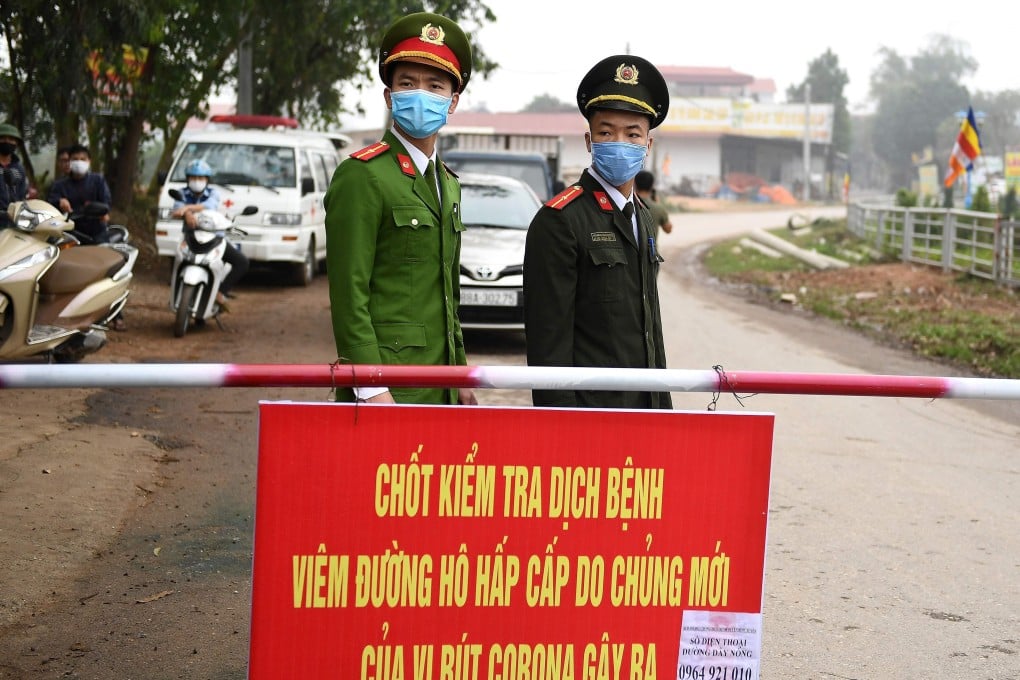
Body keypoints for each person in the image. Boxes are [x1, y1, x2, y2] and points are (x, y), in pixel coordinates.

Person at [324, 11, 476, 406]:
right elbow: (348, 294)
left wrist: (461, 374)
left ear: (453, 101)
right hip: (386, 391)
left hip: (440, 386)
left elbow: (447, 295)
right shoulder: (363, 176)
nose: (421, 94)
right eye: (408, 84)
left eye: (435, 85)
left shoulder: (449, 183)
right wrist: (370, 385)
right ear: (390, 96)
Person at [523, 55, 672, 410]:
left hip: (646, 407)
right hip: (591, 416)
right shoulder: (560, 221)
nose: (620, 142)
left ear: (647, 145)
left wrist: (663, 408)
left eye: (633, 133)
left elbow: (649, 328)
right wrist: (562, 425)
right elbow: (548, 344)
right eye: (607, 132)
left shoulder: (645, 217)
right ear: (590, 141)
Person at [171, 159, 248, 308]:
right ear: (188, 179)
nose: (196, 181)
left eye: (200, 178)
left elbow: (209, 205)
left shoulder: (213, 193)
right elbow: (176, 209)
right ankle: (176, 293)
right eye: (193, 178)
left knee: (242, 262)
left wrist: (187, 210)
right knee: (178, 262)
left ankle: (220, 292)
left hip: (214, 239)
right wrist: (184, 212)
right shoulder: (181, 193)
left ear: (207, 180)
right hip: (190, 239)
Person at [47, 143, 112, 243]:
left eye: (83, 159)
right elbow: (50, 202)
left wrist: (103, 212)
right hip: (70, 233)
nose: (79, 162)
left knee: (104, 256)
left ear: (89, 161)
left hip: (96, 232)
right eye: (75, 159)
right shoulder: (59, 185)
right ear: (70, 161)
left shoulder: (98, 180)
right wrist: (60, 201)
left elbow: (106, 202)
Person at [0, 122, 29, 227]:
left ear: (16, 143)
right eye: (3, 138)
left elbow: (22, 195)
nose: (7, 142)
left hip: (15, 222)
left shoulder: (19, 168)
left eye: (11, 139)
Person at [635, 170, 673, 239]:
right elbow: (668, 230)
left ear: (635, 184)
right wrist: (658, 204)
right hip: (651, 249)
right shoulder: (658, 208)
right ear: (652, 186)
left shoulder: (627, 203)